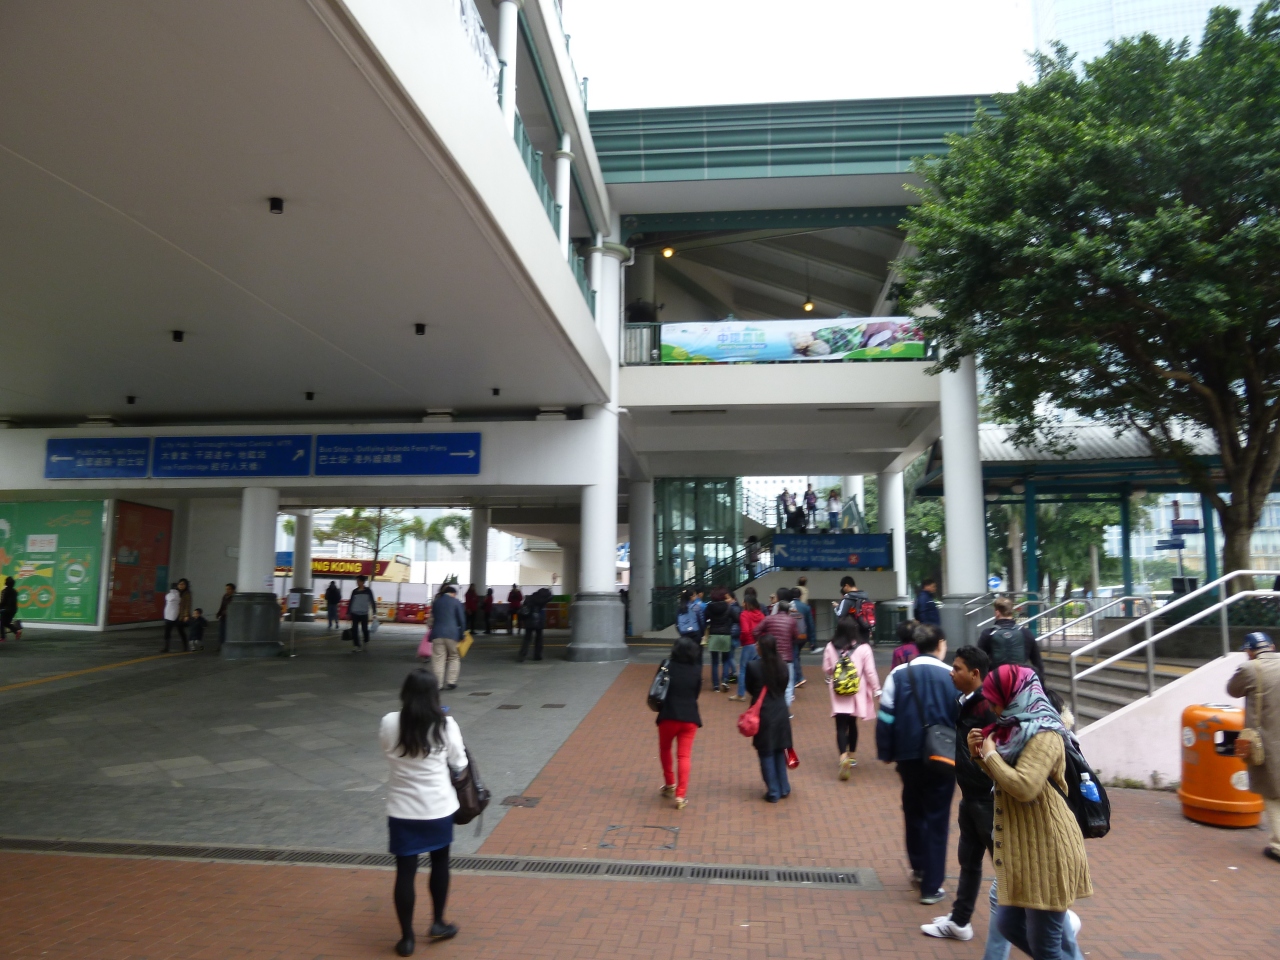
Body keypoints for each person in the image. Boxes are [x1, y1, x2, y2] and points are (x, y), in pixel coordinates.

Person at [970, 665, 1092, 959]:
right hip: (1027, 849)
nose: (992, 708)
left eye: (996, 700)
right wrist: (980, 756)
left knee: (1046, 948)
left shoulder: (1044, 733)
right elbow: (1005, 779)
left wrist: (990, 755)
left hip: (1049, 849)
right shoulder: (1013, 730)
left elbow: (1024, 787)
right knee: (1010, 924)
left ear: (1014, 695)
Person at [381, 669, 464, 954]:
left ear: (405, 693)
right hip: (438, 807)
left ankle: (407, 939)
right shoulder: (445, 724)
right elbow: (460, 763)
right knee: (440, 864)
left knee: (405, 872)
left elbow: (386, 751)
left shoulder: (389, 722)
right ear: (434, 695)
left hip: (402, 809)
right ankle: (437, 922)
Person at [876, 626, 958, 906]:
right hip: (944, 756)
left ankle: (919, 866)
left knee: (913, 810)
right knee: (938, 817)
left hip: (908, 754)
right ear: (940, 644)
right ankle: (931, 886)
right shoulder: (951, 675)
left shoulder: (898, 674)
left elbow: (886, 717)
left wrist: (886, 751)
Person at [921, 644, 996, 941]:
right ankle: (960, 921)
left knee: (1008, 866)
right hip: (971, 795)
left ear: (974, 673)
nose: (951, 673)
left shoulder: (988, 705)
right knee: (969, 860)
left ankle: (1054, 921)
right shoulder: (966, 701)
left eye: (957, 668)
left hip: (988, 798)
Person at [1227, 631, 1280, 863]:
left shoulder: (1250, 669)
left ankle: (1278, 846)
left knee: (1273, 792)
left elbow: (1233, 690)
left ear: (1249, 651)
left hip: (1268, 741)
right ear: (1272, 646)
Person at [823, 615, 881, 778]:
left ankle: (843, 757)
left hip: (839, 690)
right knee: (852, 723)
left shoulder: (830, 646)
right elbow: (870, 672)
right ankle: (852, 756)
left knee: (840, 725)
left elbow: (827, 668)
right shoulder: (863, 648)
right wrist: (877, 690)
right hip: (856, 690)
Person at [657, 635, 703, 810]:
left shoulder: (666, 666)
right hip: (690, 717)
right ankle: (681, 795)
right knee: (684, 756)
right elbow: (696, 694)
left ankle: (670, 783)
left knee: (665, 749)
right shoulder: (696, 670)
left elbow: (658, 687)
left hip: (668, 715)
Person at [746, 634, 793, 802]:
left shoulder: (753, 666)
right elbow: (784, 686)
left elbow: (750, 688)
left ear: (761, 648)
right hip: (781, 711)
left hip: (763, 713)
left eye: (757, 644)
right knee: (779, 749)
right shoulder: (783, 665)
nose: (755, 646)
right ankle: (784, 787)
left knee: (765, 751)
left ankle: (773, 791)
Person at [979, 598, 1045, 678]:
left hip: (996, 681)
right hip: (1021, 681)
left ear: (997, 613)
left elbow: (978, 661)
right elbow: (1038, 663)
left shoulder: (988, 634)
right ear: (1012, 612)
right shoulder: (1026, 633)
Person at [757, 598, 800, 708]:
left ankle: (770, 708)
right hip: (787, 657)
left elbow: (755, 631)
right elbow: (796, 637)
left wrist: (763, 642)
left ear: (778, 608)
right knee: (788, 685)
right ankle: (785, 711)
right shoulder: (792, 621)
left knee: (769, 683)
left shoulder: (768, 619)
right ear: (788, 610)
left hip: (770, 656)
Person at [429, 585, 466, 689]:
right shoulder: (456, 602)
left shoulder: (436, 602)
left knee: (438, 659)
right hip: (452, 634)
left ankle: (438, 684)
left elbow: (433, 618)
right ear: (453, 593)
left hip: (437, 634)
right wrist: (462, 634)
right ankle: (451, 681)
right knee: (454, 656)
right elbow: (462, 620)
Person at [731, 595, 766, 702]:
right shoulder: (760, 614)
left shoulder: (744, 614)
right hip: (759, 643)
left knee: (743, 669)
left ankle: (741, 694)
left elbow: (745, 631)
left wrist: (742, 640)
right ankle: (759, 692)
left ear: (746, 603)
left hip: (749, 643)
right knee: (759, 669)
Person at [704, 587, 737, 692]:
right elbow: (737, 619)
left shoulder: (709, 607)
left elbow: (704, 619)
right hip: (725, 634)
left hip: (713, 634)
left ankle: (715, 686)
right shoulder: (728, 607)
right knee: (725, 660)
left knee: (714, 661)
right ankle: (725, 680)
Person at [788, 587, 814, 689]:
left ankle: (798, 678)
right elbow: (810, 624)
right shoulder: (806, 607)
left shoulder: (789, 605)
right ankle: (798, 677)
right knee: (796, 655)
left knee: (794, 656)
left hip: (793, 636)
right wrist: (812, 640)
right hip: (803, 636)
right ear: (800, 596)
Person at [519, 587, 552, 661]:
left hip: (529, 620)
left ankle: (522, 654)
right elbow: (550, 598)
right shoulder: (543, 600)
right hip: (539, 620)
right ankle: (537, 655)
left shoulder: (530, 598)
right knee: (539, 638)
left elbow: (524, 608)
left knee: (527, 638)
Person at [349, 576, 377, 650]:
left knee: (364, 629)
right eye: (357, 581)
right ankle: (356, 645)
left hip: (364, 613)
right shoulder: (354, 591)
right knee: (354, 630)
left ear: (363, 582)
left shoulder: (368, 591)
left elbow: (372, 601)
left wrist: (374, 612)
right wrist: (348, 612)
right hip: (355, 613)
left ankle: (366, 640)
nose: (357, 583)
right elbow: (351, 602)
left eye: (358, 581)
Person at [162, 583, 186, 652]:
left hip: (173, 615)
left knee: (177, 631)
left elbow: (170, 598)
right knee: (171, 631)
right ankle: (167, 647)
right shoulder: (177, 595)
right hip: (172, 615)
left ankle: (167, 648)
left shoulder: (174, 595)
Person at [0, 576, 19, 641]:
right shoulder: (15, 592)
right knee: (6, 623)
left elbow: (3, 602)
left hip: (6, 610)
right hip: (13, 609)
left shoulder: (4, 591)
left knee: (2, 622)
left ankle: (2, 637)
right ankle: (16, 631)